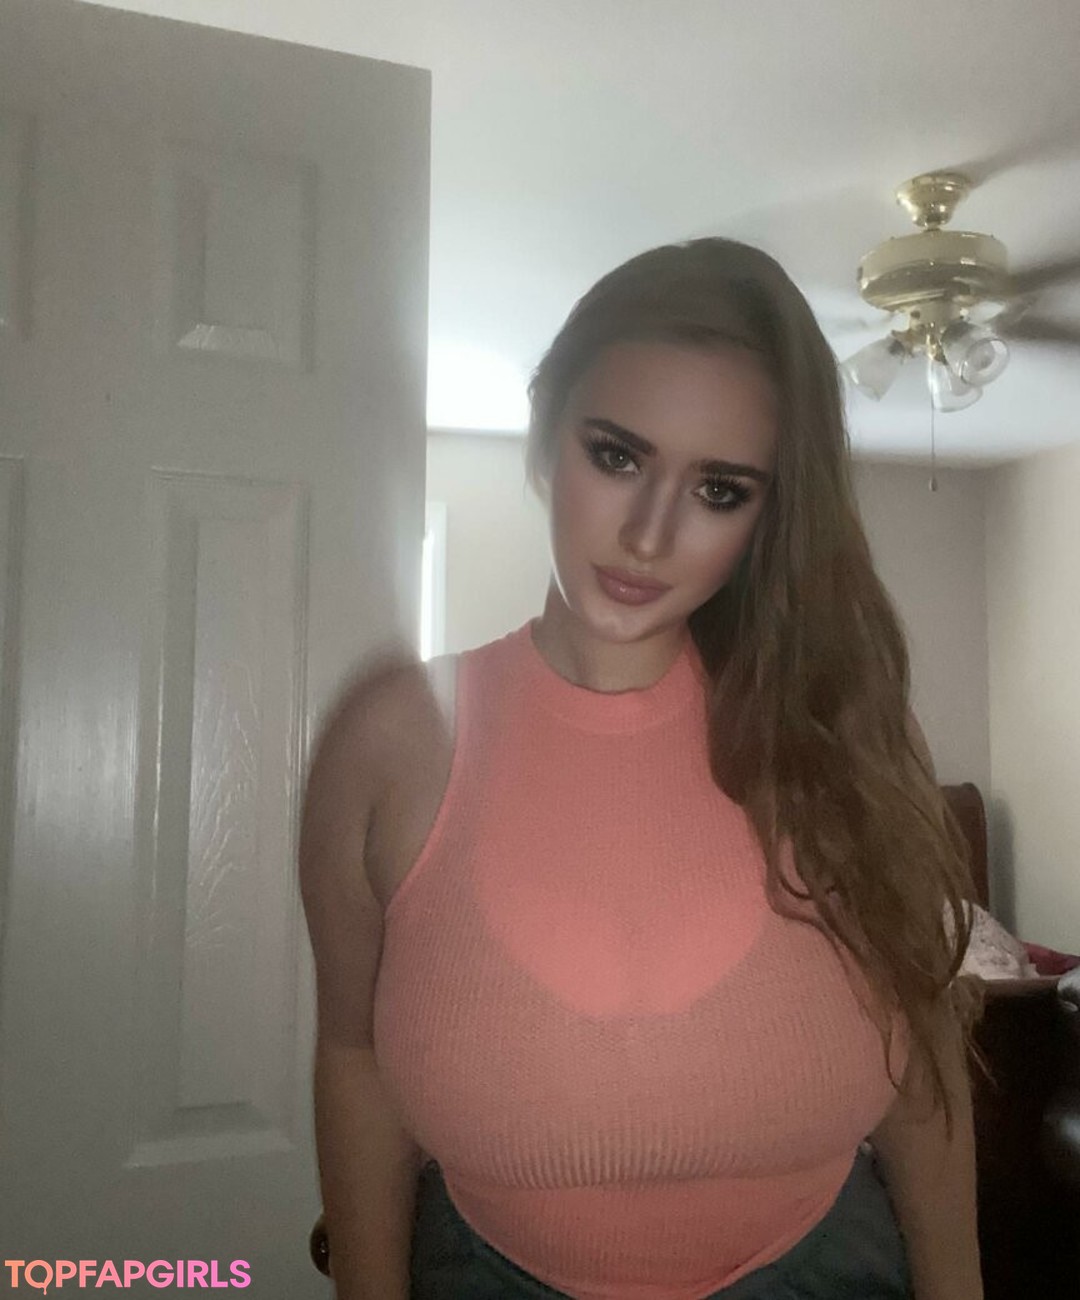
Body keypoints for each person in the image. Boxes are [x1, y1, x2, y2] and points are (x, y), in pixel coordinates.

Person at [299, 237, 986, 1300]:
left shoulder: (843, 734)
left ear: (769, 516)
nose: (651, 536)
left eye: (719, 489)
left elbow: (922, 1063)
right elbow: (354, 1058)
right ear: (546, 431)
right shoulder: (390, 743)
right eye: (617, 456)